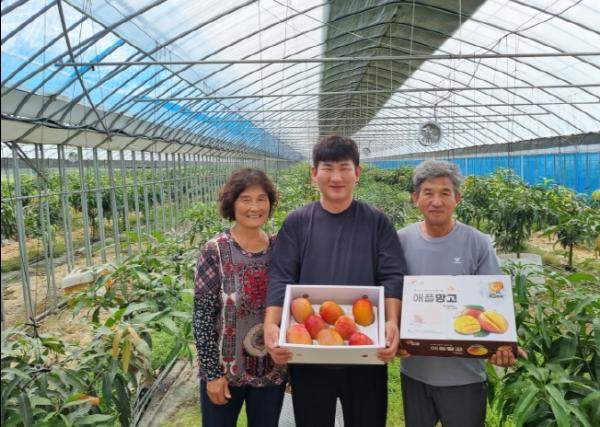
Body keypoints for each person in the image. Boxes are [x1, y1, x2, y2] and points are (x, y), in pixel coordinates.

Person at [264, 135, 407, 427]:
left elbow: (391, 275)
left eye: (344, 167)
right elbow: (281, 275)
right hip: (310, 353)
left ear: (358, 172)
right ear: (314, 173)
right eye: (328, 168)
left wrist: (391, 322)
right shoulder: (298, 222)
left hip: (365, 351)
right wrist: (272, 325)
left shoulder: (376, 222)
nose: (336, 177)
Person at [397, 159, 524, 427]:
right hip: (414, 372)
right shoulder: (401, 240)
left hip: (464, 376)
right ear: (415, 198)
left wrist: (504, 343)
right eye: (428, 193)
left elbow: (495, 300)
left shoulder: (477, 243)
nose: (436, 202)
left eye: (445, 193)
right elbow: (393, 295)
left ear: (457, 198)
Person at [193, 168, 287, 427]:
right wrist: (212, 374)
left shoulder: (280, 249)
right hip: (224, 372)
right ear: (232, 204)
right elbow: (202, 317)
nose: (255, 207)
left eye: (261, 199)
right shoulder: (215, 250)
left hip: (271, 371)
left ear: (270, 203)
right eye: (246, 199)